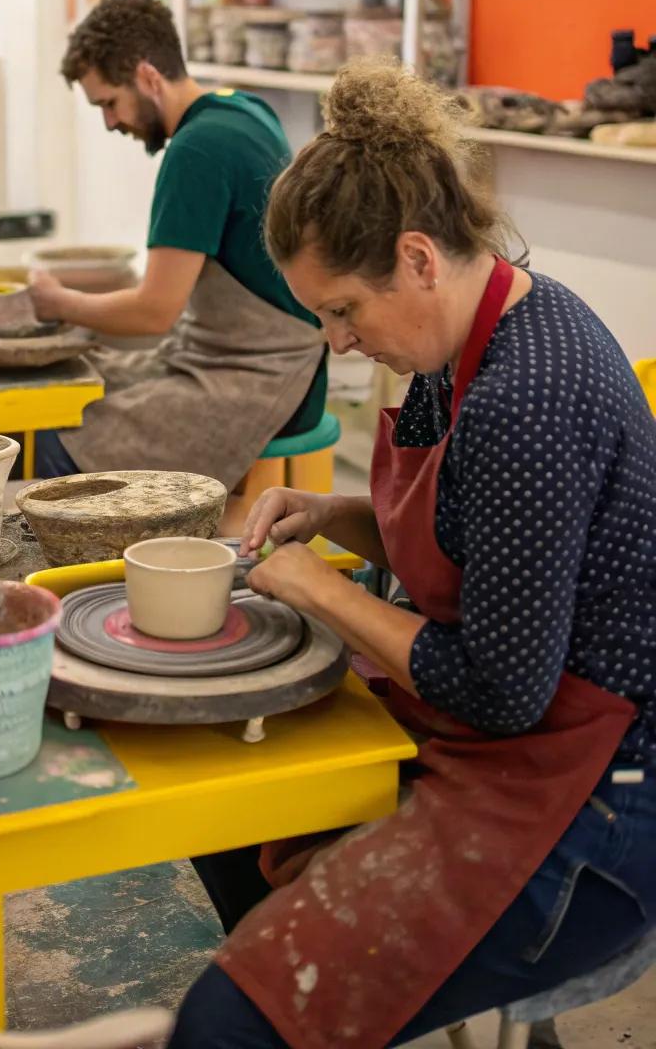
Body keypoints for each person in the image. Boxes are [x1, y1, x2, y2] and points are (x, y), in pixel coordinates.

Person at [166, 60, 656, 1049]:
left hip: (593, 799)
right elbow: (452, 526)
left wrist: (317, 592)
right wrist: (331, 514)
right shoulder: (469, 332)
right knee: (220, 804)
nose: (336, 342)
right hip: (519, 735)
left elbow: (502, 691)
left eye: (345, 309)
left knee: (225, 1028)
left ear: (420, 258)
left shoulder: (528, 396)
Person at [29, 0, 326, 495]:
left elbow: (153, 313)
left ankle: (95, 571)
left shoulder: (196, 150)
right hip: (270, 362)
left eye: (109, 103)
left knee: (57, 442)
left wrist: (60, 304)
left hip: (263, 379)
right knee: (73, 390)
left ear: (148, 76)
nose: (110, 122)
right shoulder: (244, 108)